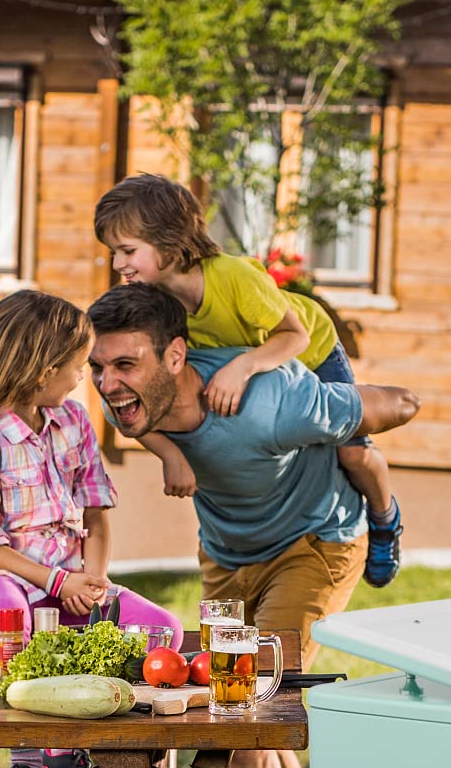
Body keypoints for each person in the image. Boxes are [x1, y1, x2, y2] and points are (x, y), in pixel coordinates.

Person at [84, 283, 421, 768]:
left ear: (176, 355)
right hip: (229, 559)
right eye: (99, 367)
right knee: (251, 709)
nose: (110, 385)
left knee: (242, 712)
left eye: (126, 366)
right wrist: (165, 450)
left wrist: (357, 445)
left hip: (315, 544)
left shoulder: (268, 402)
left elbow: (400, 403)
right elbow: (138, 421)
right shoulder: (135, 409)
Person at [0, 291, 183, 768]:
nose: (86, 377)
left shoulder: (71, 422)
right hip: (6, 580)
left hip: (68, 580)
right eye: (78, 365)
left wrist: (94, 579)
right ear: (43, 372)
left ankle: (79, 750)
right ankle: (31, 766)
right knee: (7, 609)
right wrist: (55, 578)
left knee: (162, 631)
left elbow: (95, 513)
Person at [92, 174, 405, 588]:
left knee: (351, 454)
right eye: (114, 252)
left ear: (168, 240)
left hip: (307, 353)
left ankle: (385, 519)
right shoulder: (158, 304)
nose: (118, 264)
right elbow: (142, 406)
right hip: (257, 380)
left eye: (128, 250)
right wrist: (170, 453)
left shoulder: (232, 277)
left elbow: (296, 335)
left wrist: (242, 368)